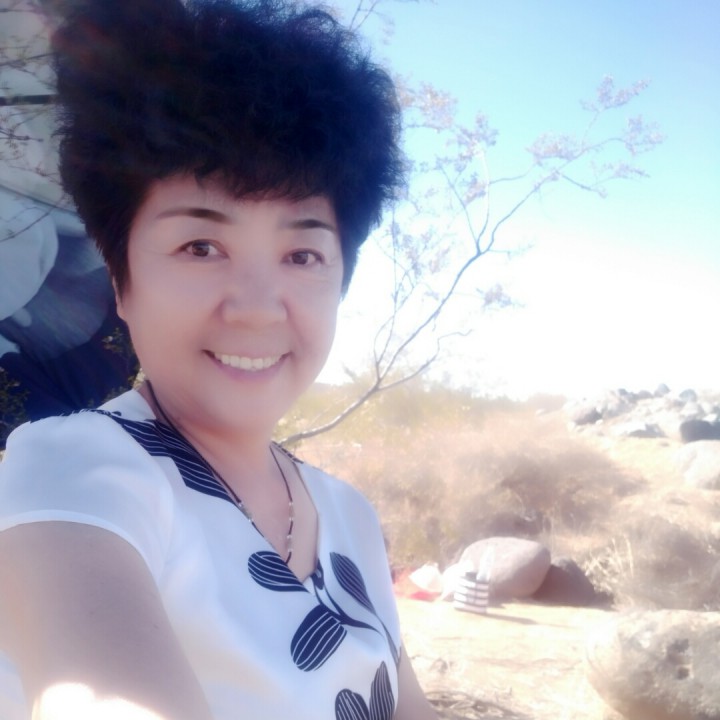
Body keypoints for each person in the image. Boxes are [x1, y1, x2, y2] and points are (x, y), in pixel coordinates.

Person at [0, 1, 438, 718]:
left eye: (302, 254)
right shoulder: (74, 467)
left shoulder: (349, 515)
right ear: (121, 281)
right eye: (200, 246)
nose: (257, 308)